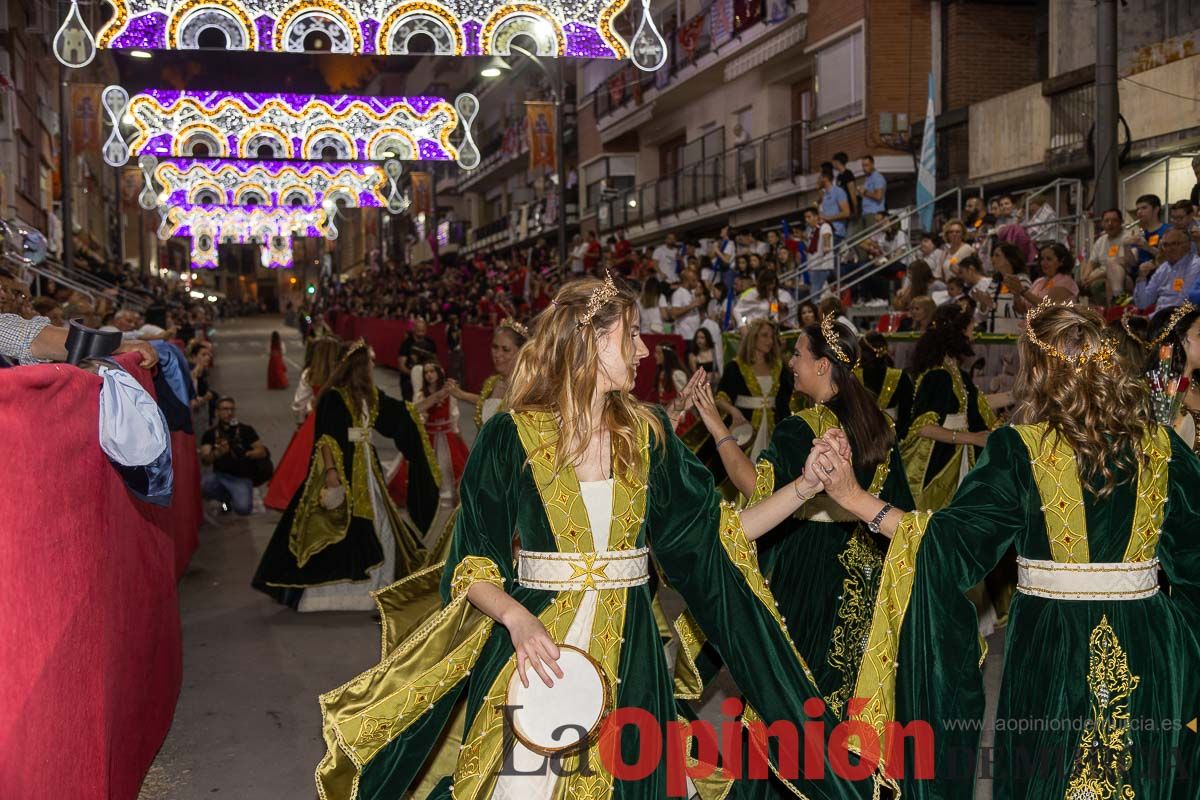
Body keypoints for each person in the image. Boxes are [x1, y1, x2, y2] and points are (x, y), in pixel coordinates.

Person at [314, 273, 878, 800]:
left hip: (631, 656)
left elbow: (716, 536)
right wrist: (516, 618)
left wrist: (805, 487)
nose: (643, 351)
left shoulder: (648, 434)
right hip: (536, 654)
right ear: (591, 340)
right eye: (631, 335)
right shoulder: (508, 435)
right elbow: (471, 566)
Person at [813, 302, 1200, 799]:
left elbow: (947, 543)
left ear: (1039, 373)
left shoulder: (1019, 448)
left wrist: (853, 497)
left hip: (1053, 640)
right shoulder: (1163, 445)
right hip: (1147, 640)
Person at [682, 315, 913, 723]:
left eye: (798, 354)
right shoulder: (878, 423)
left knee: (793, 692)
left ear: (822, 365)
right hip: (864, 571)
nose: (790, 362)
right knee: (847, 689)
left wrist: (717, 428)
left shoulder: (803, 429)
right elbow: (899, 507)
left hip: (807, 568)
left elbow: (754, 486)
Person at [251, 341, 438, 612]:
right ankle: (333, 595)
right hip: (344, 469)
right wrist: (331, 473)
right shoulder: (333, 397)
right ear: (359, 366)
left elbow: (400, 415)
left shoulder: (370, 396)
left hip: (367, 470)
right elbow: (326, 439)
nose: (373, 365)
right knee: (336, 527)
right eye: (370, 361)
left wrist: (437, 396)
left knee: (378, 525)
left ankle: (376, 584)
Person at [901, 304, 999, 511]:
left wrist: (1016, 395)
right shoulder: (939, 376)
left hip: (957, 454)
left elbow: (977, 404)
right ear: (959, 332)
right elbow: (923, 427)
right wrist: (972, 438)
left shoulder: (955, 373)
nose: (974, 335)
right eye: (971, 329)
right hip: (940, 459)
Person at [266, 337, 343, 512]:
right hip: (338, 420)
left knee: (304, 462)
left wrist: (301, 421)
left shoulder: (310, 373)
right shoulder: (341, 374)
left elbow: (299, 403)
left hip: (314, 421)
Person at [390, 361, 468, 508]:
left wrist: (457, 434)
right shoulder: (421, 395)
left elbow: (453, 415)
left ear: (439, 373)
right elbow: (417, 414)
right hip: (429, 437)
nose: (429, 375)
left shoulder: (449, 394)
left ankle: (449, 496)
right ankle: (431, 497)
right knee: (430, 468)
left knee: (449, 466)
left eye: (432, 371)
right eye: (426, 372)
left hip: (447, 437)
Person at [200, 397, 270, 516]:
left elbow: (262, 451)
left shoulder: (246, 430)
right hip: (220, 476)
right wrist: (218, 453)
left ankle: (236, 496)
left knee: (243, 509)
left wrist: (246, 453)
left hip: (241, 478)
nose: (229, 413)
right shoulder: (210, 434)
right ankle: (225, 502)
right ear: (217, 412)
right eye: (225, 409)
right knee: (203, 486)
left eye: (232, 409)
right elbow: (205, 460)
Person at [856, 331, 913, 432]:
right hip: (892, 433)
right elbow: (907, 415)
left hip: (860, 434)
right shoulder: (901, 377)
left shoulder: (852, 377)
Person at [1132, 228, 1200, 311]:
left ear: (1187, 245)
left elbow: (1185, 300)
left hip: (1181, 314)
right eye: (1165, 245)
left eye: (1174, 244)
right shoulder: (1163, 268)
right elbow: (1142, 304)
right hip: (1160, 314)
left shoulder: (1195, 265)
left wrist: (1156, 316)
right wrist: (1141, 277)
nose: (1169, 249)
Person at [1081, 208, 1133, 304]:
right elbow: (1092, 262)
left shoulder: (1127, 237)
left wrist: (1095, 277)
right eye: (1106, 221)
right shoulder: (1101, 240)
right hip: (1099, 275)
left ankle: (1116, 308)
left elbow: (1123, 264)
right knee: (1079, 284)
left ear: (1121, 222)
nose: (1110, 223)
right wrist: (1085, 277)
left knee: (1097, 285)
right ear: (1102, 224)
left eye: (1114, 220)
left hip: (1120, 274)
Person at [1013, 243, 1080, 315]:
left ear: (1061, 262)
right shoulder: (1039, 281)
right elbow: (1022, 310)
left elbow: (1046, 306)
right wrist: (1016, 293)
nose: (1043, 263)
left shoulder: (1066, 282)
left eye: (1049, 259)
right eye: (1042, 259)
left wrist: (1022, 291)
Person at [398, 318, 437, 401]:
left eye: (423, 330)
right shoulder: (406, 343)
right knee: (409, 405)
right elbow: (402, 366)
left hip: (427, 382)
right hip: (408, 382)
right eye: (419, 330)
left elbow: (435, 362)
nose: (421, 333)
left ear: (426, 330)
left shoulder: (431, 343)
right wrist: (416, 375)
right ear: (414, 329)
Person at [803, 205, 836, 297]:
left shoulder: (824, 226)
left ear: (816, 217)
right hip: (813, 266)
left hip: (822, 266)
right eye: (805, 217)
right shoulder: (811, 231)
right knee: (822, 293)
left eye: (809, 217)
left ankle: (818, 305)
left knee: (815, 293)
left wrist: (826, 245)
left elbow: (826, 235)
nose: (806, 220)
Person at [818, 169, 851, 243]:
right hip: (827, 232)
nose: (817, 181)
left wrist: (828, 218)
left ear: (825, 178)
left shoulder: (838, 191)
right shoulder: (824, 195)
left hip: (837, 233)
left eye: (819, 178)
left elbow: (846, 213)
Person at [859, 154, 886, 220]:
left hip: (874, 214)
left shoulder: (877, 177)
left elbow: (878, 196)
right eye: (863, 166)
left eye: (866, 165)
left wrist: (865, 192)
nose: (864, 168)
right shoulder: (868, 178)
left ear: (872, 165)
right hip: (866, 213)